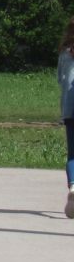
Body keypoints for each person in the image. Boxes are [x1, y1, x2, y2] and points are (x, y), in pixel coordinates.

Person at [58, 18, 74, 218]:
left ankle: (73, 188)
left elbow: (60, 79)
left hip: (70, 110)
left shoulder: (64, 54)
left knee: (72, 153)